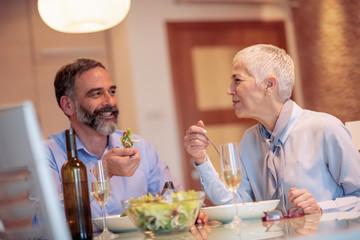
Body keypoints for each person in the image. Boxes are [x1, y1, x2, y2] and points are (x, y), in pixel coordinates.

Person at [184, 44, 360, 215]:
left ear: (269, 85)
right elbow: (235, 206)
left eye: (237, 80)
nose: (229, 90)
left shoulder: (325, 128)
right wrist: (202, 159)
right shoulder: (249, 140)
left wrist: (322, 208)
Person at [45, 58, 187, 231]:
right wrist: (101, 175)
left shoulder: (141, 148)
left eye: (111, 92)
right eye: (96, 94)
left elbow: (176, 203)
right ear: (68, 105)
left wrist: (185, 211)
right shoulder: (47, 156)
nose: (110, 102)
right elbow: (45, 224)